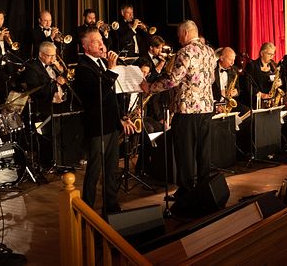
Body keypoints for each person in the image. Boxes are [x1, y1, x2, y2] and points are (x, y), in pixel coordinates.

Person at [148, 20, 216, 207]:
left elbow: (172, 81)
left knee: (185, 151)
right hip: (206, 107)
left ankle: (186, 191)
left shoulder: (185, 52)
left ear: (186, 33)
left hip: (187, 109)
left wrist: (150, 87)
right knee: (203, 151)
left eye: (179, 35)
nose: (178, 39)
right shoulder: (209, 51)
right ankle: (203, 187)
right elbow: (212, 78)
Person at [74, 27, 138, 214]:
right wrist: (110, 71)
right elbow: (96, 95)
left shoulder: (101, 63)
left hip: (111, 123)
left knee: (111, 169)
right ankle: (88, 208)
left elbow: (112, 96)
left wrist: (122, 118)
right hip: (97, 126)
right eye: (96, 41)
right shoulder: (83, 68)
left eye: (101, 40)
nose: (102, 44)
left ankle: (111, 205)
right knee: (94, 169)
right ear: (86, 47)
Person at [22, 41, 68, 121]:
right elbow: (36, 90)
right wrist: (56, 82)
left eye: (55, 55)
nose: (54, 59)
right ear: (41, 55)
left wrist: (61, 70)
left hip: (61, 103)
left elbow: (67, 79)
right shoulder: (32, 67)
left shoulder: (55, 64)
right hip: (45, 108)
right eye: (50, 56)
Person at [242, 42, 278, 109]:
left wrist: (278, 83)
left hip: (270, 99)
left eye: (273, 54)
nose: (271, 57)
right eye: (269, 54)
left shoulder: (274, 67)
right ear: (262, 53)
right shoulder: (252, 65)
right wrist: (261, 94)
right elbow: (247, 84)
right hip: (256, 101)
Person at [212, 47, 247, 114]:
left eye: (234, 60)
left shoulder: (234, 70)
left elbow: (238, 90)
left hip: (229, 104)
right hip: (215, 104)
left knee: (247, 112)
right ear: (221, 58)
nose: (232, 63)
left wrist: (235, 92)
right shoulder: (212, 68)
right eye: (230, 60)